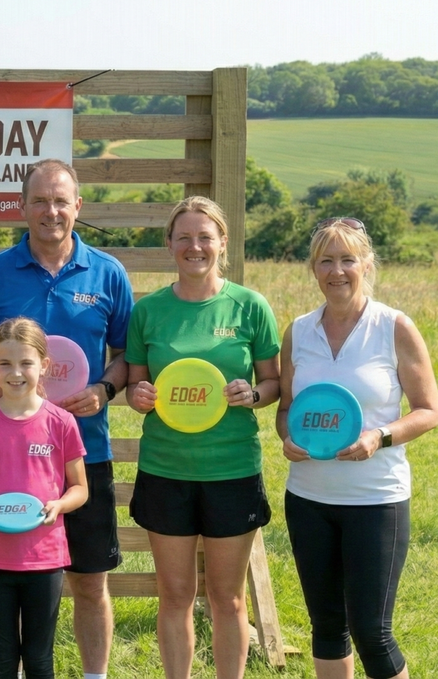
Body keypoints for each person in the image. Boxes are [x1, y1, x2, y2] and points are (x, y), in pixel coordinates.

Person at [0, 158, 131, 679]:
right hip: (10, 462)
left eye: (60, 201)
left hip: (85, 453)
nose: (50, 211)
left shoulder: (108, 273)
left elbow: (127, 353)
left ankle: (95, 676)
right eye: (40, 200)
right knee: (14, 581)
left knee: (90, 581)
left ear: (77, 206)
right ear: (22, 206)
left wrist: (104, 389)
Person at [276, 217, 438, 679]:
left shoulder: (394, 326)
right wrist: (287, 438)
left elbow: (429, 410)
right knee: (327, 626)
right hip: (308, 499)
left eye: (347, 259)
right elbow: (286, 409)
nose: (337, 271)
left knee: (372, 632)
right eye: (325, 261)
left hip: (375, 499)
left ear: (366, 264)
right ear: (313, 269)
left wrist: (378, 437)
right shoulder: (298, 331)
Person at [125, 196, 281, 679]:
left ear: (222, 243)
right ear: (169, 244)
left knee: (227, 597)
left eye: (205, 237)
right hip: (165, 468)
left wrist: (252, 394)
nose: (195, 246)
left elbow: (273, 382)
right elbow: (134, 386)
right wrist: (139, 395)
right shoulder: (148, 310)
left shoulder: (250, 306)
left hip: (231, 470)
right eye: (185, 237)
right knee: (175, 595)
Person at [0, 318, 89, 679]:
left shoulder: (61, 422)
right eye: (5, 363)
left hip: (44, 559)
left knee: (39, 658)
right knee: (1, 658)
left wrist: (59, 505)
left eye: (26, 363)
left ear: (44, 365)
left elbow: (80, 488)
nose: (15, 373)